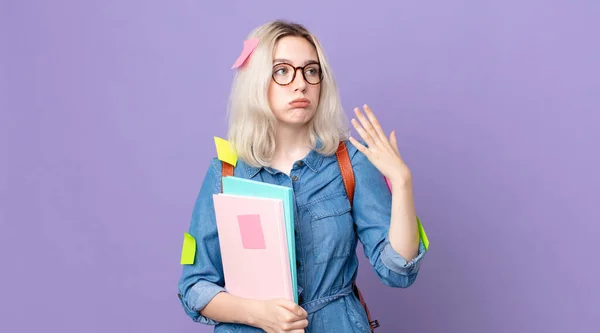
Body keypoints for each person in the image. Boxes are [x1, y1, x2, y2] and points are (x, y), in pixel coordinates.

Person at [177, 20, 427, 333]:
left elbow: (398, 271)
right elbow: (195, 286)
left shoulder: (350, 162)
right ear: (257, 81)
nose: (301, 84)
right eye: (282, 70)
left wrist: (402, 182)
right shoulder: (225, 172)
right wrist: (257, 313)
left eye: (311, 70)